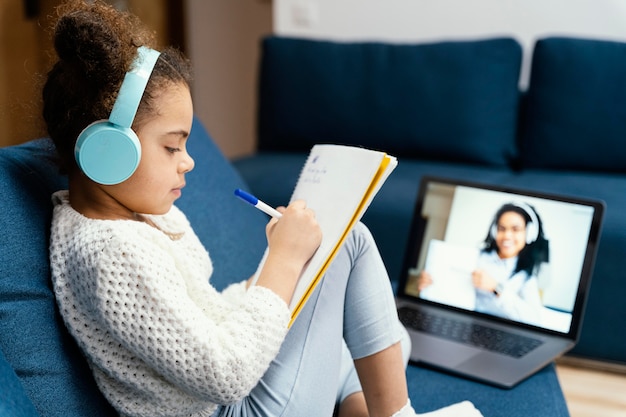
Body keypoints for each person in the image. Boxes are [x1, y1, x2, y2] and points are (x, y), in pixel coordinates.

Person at [44, 1, 481, 417]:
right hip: (236, 405)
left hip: (247, 394)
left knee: (373, 335)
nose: (188, 161)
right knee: (350, 243)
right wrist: (285, 263)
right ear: (107, 152)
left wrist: (273, 267)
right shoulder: (109, 253)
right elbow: (225, 374)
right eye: (172, 146)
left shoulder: (136, 216)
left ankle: (356, 407)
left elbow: (210, 318)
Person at [417, 202, 549, 326]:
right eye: (502, 228)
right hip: (455, 320)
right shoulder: (475, 257)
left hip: (494, 331)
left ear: (529, 233)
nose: (507, 235)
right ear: (494, 231)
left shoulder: (525, 276)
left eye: (515, 229)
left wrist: (496, 288)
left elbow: (534, 319)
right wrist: (428, 284)